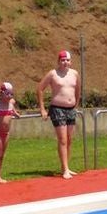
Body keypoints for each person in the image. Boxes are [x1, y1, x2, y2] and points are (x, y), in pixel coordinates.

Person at [36, 49, 82, 179]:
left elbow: (78, 89)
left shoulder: (75, 74)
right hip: (57, 108)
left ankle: (66, 166)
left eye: (67, 60)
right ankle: (65, 169)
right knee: (62, 139)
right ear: (58, 61)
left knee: (69, 140)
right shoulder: (53, 74)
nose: (65, 62)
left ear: (71, 62)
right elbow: (40, 89)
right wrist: (43, 109)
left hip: (70, 108)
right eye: (63, 60)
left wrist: (76, 104)